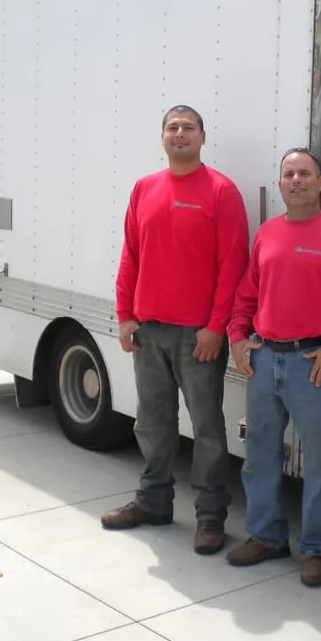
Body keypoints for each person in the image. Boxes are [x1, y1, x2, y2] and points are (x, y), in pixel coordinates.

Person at [224, 147, 321, 587]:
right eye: (289, 173)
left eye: (305, 173)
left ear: (320, 183)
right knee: (259, 456)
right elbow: (247, 295)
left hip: (314, 366)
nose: (296, 180)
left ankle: (315, 549)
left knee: (320, 463)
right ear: (280, 184)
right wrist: (238, 336)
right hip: (264, 360)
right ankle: (266, 536)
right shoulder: (268, 235)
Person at [103, 104, 249, 556]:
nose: (180, 133)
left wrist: (215, 327)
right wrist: (125, 314)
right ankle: (153, 502)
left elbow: (233, 266)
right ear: (161, 138)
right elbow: (131, 253)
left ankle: (210, 516)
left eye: (188, 127)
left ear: (203, 137)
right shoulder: (144, 188)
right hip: (149, 330)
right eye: (172, 127)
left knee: (206, 429)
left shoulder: (222, 191)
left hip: (197, 336)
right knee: (152, 421)